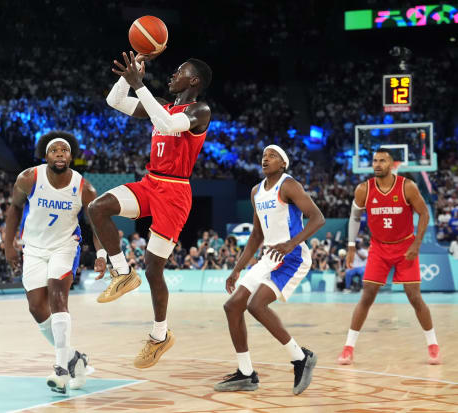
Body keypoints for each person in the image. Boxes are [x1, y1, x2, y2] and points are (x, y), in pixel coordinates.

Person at [89, 50, 212, 368]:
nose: (173, 75)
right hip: (151, 182)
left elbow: (169, 125)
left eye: (180, 71)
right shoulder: (162, 104)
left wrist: (139, 85)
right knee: (98, 208)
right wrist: (127, 77)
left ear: (194, 80)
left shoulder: (200, 110)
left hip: (175, 192)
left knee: (154, 268)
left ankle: (160, 336)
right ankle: (122, 273)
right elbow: (115, 102)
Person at [215, 145, 325, 395]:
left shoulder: (288, 185)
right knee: (232, 306)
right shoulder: (256, 191)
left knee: (256, 305)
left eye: (272, 155)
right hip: (269, 257)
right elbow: (256, 235)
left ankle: (300, 358)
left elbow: (317, 218)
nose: (266, 159)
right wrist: (237, 269)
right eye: (264, 155)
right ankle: (246, 374)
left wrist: (291, 243)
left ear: (283, 163)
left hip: (292, 257)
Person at [4, 131, 106, 394]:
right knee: (37, 308)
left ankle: (60, 369)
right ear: (46, 155)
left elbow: (96, 223)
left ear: (71, 157)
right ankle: (75, 359)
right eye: (54, 151)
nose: (60, 154)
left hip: (65, 246)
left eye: (64, 151)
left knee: (58, 298)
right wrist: (9, 246)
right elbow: (14, 208)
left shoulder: (85, 188)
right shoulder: (29, 178)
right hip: (34, 249)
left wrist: (101, 254)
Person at [338, 149, 441, 365]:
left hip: (405, 247)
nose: (377, 164)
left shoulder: (407, 187)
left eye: (382, 160)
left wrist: (416, 244)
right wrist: (350, 246)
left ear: (392, 164)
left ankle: (433, 345)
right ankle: (348, 348)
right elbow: (354, 217)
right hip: (379, 247)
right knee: (367, 295)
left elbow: (424, 213)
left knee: (414, 297)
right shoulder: (363, 189)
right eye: (375, 160)